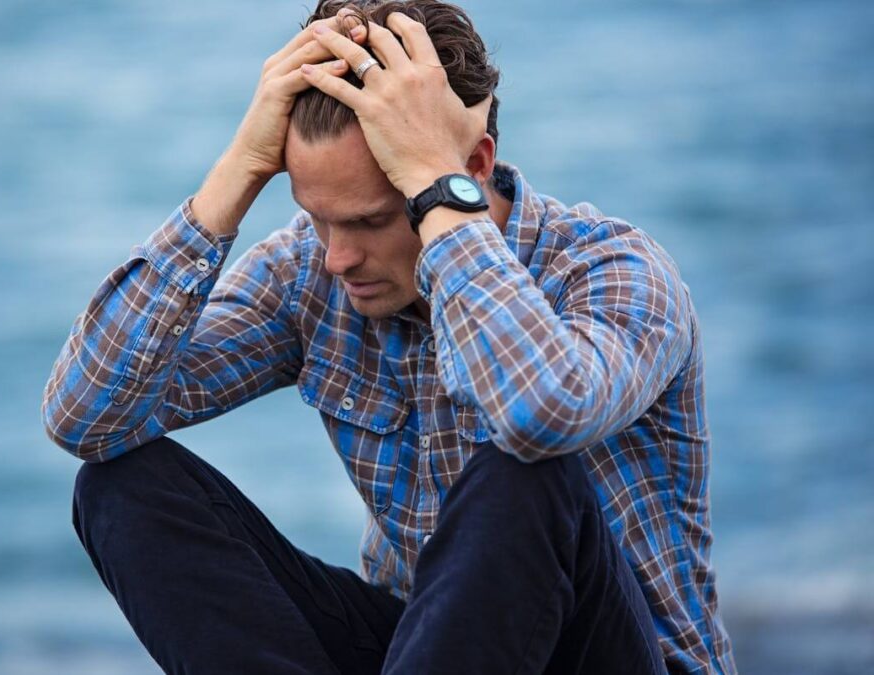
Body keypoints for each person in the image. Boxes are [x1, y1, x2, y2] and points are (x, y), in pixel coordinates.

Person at [41, 1, 737, 673]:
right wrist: (238, 172)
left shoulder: (614, 272)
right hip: (423, 647)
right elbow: (86, 418)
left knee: (524, 470)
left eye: (371, 221)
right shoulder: (312, 273)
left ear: (472, 165)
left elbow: (538, 412)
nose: (338, 256)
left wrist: (438, 192)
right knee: (121, 487)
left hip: (611, 654)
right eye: (318, 218)